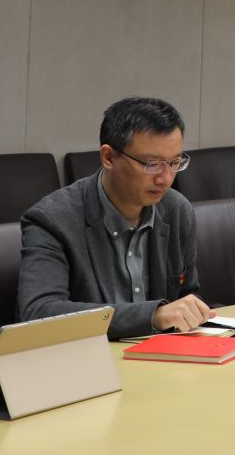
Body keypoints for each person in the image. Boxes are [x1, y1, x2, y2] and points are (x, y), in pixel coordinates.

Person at [18, 96, 211, 340]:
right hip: (89, 357)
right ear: (108, 157)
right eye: (151, 164)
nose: (165, 178)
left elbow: (187, 297)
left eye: (175, 163)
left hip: (163, 356)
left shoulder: (176, 210)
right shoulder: (53, 220)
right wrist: (151, 316)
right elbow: (39, 313)